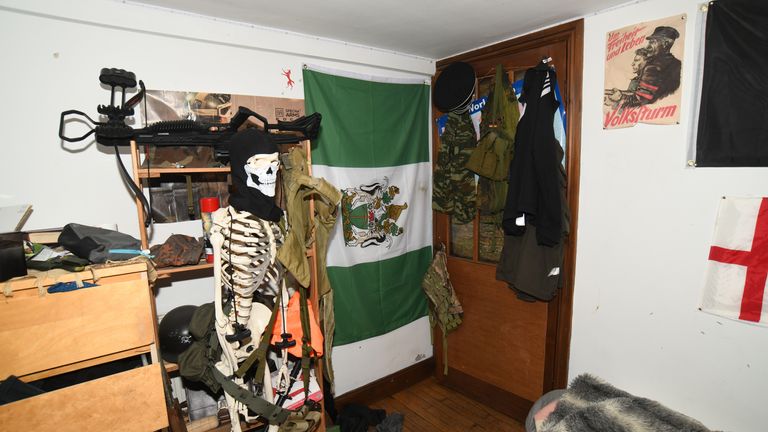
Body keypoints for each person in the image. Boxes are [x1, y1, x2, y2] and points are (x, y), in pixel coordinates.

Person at [605, 26, 682, 108]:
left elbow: (641, 100)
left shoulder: (652, 67)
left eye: (653, 42)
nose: (649, 45)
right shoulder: (677, 64)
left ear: (665, 44)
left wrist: (618, 98)